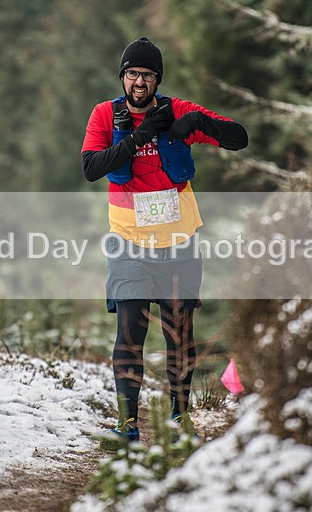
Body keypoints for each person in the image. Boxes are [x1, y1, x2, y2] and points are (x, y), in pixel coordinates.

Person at [81, 37, 248, 442]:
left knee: (179, 333)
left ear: (158, 79)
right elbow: (91, 168)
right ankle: (127, 422)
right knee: (129, 331)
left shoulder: (178, 110)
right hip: (128, 243)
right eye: (133, 73)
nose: (140, 81)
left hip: (179, 243)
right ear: (123, 77)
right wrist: (139, 138)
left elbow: (238, 137)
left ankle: (179, 416)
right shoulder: (105, 115)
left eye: (148, 74)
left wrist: (196, 125)